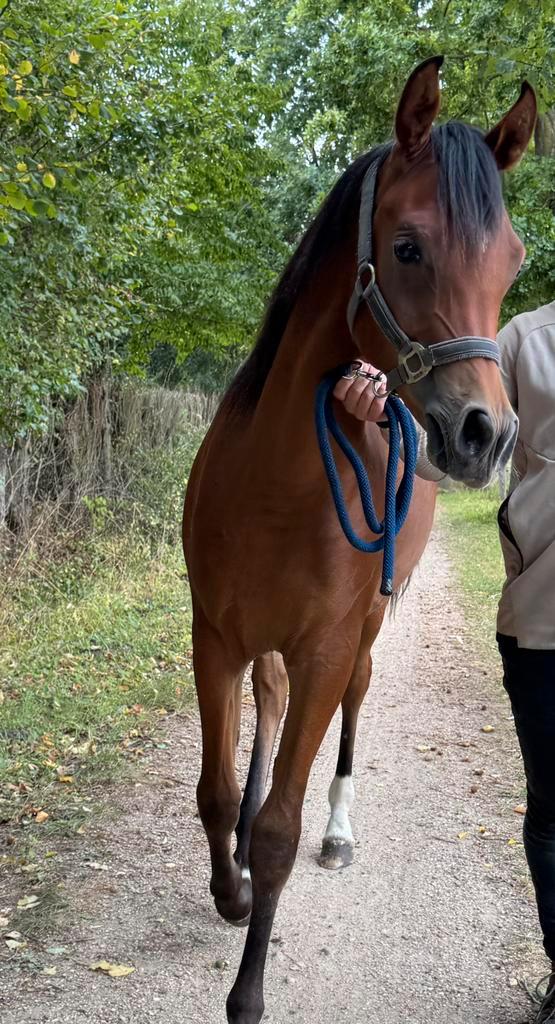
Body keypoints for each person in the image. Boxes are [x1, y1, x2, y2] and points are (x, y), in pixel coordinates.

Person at [335, 302, 555, 1024]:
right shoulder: (525, 339)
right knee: (553, 814)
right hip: (545, 616)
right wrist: (380, 416)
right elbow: (458, 455)